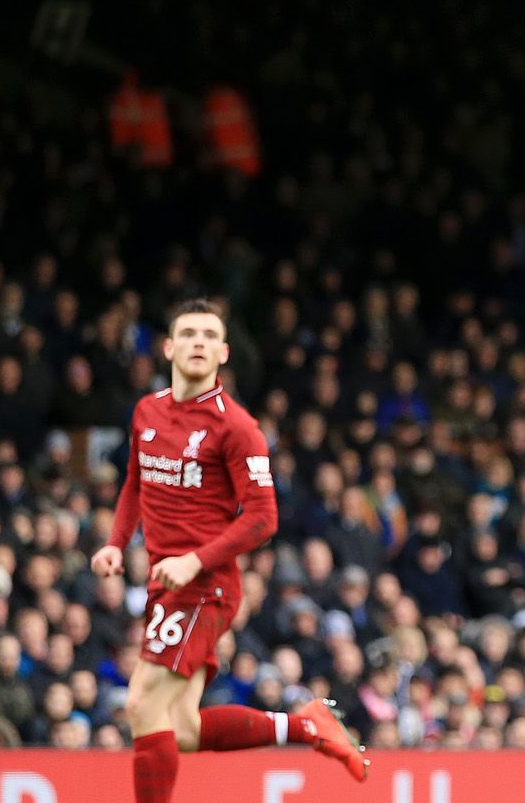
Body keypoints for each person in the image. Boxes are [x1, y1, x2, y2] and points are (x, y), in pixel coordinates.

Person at [91, 299, 368, 802]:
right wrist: (115, 543)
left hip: (204, 584)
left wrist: (195, 559)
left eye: (208, 335)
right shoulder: (146, 411)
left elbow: (264, 518)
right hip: (165, 582)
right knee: (179, 731)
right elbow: (136, 480)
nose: (198, 342)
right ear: (169, 347)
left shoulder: (237, 427)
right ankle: (307, 727)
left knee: (141, 703)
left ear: (222, 352)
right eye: (188, 333)